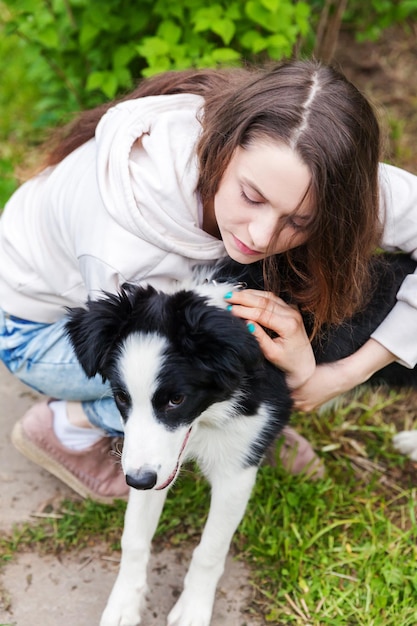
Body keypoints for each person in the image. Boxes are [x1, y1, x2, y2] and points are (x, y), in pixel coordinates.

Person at [1, 59, 417, 502]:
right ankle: (68, 427)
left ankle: (242, 415)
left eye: (300, 220)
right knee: (204, 365)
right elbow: (169, 362)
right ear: (223, 147)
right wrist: (293, 368)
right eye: (251, 197)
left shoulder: (304, 163)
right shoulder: (125, 243)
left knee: (272, 311)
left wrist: (344, 374)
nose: (261, 234)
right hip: (37, 334)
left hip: (169, 296)